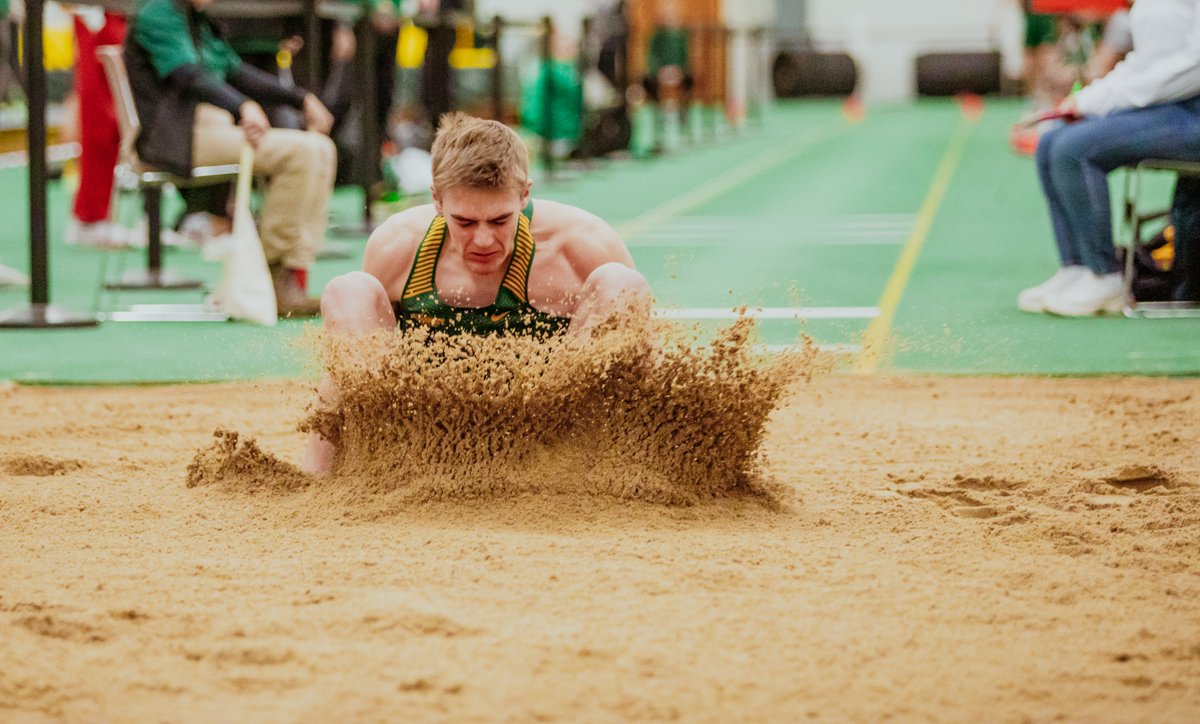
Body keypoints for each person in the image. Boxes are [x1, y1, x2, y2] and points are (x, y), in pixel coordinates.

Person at [303, 113, 652, 474]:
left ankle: (599, 472)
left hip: (550, 435)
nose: (484, 240)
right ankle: (330, 480)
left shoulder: (582, 242)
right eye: (465, 222)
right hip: (428, 434)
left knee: (623, 284)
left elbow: (642, 360)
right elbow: (346, 367)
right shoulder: (398, 244)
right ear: (437, 200)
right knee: (348, 291)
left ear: (524, 195)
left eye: (500, 220)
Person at [125, 0, 337, 317]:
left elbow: (236, 72)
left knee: (321, 148)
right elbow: (188, 76)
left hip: (210, 129)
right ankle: (268, 274)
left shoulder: (196, 18)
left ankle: (291, 271)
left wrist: (300, 98)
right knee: (302, 153)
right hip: (175, 140)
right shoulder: (158, 13)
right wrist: (242, 106)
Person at [1020, 0, 1200, 316]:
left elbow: (1192, 67)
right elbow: (1145, 63)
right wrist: (1084, 99)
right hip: (1169, 105)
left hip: (1190, 112)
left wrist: (1103, 101)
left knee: (1074, 148)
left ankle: (1106, 276)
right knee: (1052, 139)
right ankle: (1077, 268)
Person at [64, 5, 128, 248]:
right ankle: (89, 218)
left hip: (113, 17)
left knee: (111, 130)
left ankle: (98, 216)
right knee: (99, 128)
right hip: (95, 19)